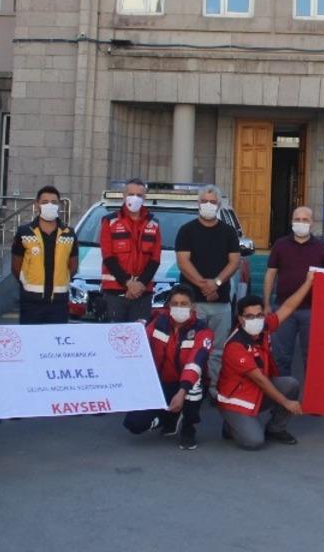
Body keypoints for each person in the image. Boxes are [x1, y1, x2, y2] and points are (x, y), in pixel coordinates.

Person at [217, 273, 315, 450]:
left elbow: (288, 307)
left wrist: (308, 282)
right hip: (236, 400)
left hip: (255, 392)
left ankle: (276, 428)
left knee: (290, 384)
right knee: (254, 441)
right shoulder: (235, 346)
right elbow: (260, 379)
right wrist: (287, 403)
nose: (256, 320)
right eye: (250, 316)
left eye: (259, 315)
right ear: (240, 319)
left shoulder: (264, 326)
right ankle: (231, 424)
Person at [123, 285, 213, 450]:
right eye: (175, 303)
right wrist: (135, 330)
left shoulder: (203, 331)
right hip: (161, 383)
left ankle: (188, 428)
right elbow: (138, 342)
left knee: (195, 380)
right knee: (133, 424)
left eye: (184, 304)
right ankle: (169, 418)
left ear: (192, 307)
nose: (179, 308)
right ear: (169, 306)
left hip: (187, 385)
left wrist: (181, 392)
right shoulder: (158, 322)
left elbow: (196, 362)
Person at [175, 185, 240, 385]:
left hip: (220, 303)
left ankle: (213, 388)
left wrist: (217, 283)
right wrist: (205, 285)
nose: (208, 205)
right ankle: (190, 387)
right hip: (194, 302)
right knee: (190, 346)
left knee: (218, 350)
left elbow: (234, 261)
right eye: (204, 201)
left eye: (212, 202)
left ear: (219, 204)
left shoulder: (228, 232)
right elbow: (183, 262)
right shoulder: (187, 231)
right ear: (198, 204)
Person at [264, 205, 324, 377]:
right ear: (292, 222)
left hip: (311, 310)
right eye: (297, 219)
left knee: (311, 356)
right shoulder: (280, 245)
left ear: (312, 223)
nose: (300, 223)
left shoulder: (321, 248)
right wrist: (266, 303)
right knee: (281, 355)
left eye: (305, 220)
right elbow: (271, 274)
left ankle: (311, 397)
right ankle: (282, 395)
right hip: (283, 309)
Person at [12, 186, 78, 324]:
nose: (50, 205)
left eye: (54, 202)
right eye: (45, 202)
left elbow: (73, 266)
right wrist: (26, 281)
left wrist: (61, 280)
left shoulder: (69, 233)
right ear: (37, 205)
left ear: (59, 205)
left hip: (59, 303)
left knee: (55, 343)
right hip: (31, 302)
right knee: (31, 342)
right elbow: (16, 266)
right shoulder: (24, 232)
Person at [98, 178, 162, 323]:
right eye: (131, 194)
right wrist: (128, 283)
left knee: (139, 340)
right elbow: (108, 256)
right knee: (114, 338)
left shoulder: (153, 224)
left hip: (143, 293)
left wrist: (139, 285)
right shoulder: (109, 221)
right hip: (115, 292)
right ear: (124, 195)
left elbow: (155, 258)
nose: (135, 198)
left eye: (139, 195)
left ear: (144, 198)